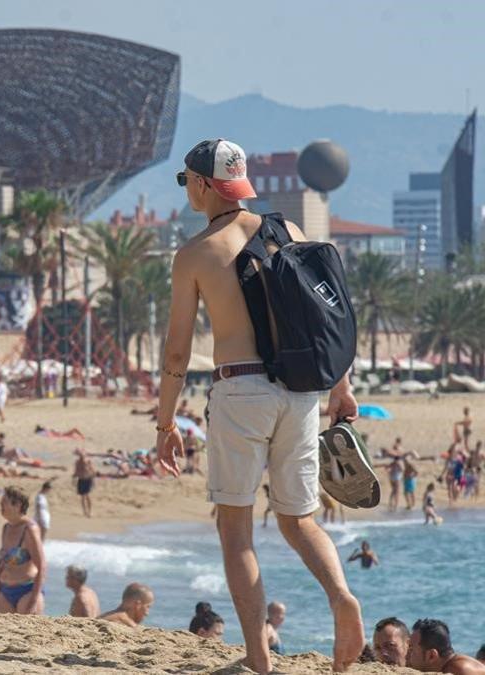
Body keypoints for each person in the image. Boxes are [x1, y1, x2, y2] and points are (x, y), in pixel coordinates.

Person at [154, 138, 364, 673]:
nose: (187, 192)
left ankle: (258, 659)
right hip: (300, 393)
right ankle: (342, 596)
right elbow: (324, 318)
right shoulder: (288, 232)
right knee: (300, 521)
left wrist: (164, 422)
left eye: (186, 182)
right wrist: (340, 388)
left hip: (241, 388)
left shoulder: (197, 253)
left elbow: (178, 350)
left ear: (203, 184)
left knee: (236, 529)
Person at [0, 486, 45, 615]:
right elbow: (3, 565)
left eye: (4, 503)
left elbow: (41, 566)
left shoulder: (30, 529)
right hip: (5, 591)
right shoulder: (6, 528)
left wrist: (33, 600)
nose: (0, 505)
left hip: (26, 591)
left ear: (17, 505)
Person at [407, 619, 485, 674]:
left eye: (412, 649)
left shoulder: (458, 670)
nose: (407, 653)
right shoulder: (453, 664)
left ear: (431, 656)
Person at [73, 450, 95, 517]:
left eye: (83, 455)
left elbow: (92, 470)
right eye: (80, 455)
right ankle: (84, 512)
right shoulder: (77, 462)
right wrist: (73, 478)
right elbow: (76, 471)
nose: (82, 456)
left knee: (87, 495)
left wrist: (93, 480)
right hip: (81, 480)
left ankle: (90, 511)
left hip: (88, 479)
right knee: (82, 497)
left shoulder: (88, 461)